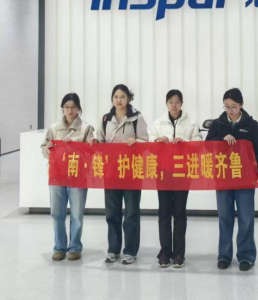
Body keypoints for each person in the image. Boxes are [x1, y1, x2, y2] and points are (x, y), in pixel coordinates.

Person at [205, 88, 258, 272]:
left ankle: (246, 256)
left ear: (241, 105)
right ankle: (224, 255)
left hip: (244, 178)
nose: (230, 110)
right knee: (225, 217)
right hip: (223, 177)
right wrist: (221, 138)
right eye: (227, 106)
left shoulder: (251, 125)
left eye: (234, 106)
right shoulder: (218, 124)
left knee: (246, 218)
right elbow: (206, 146)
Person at [94, 84, 149, 265]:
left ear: (128, 99)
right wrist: (95, 142)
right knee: (112, 212)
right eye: (116, 97)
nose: (119, 100)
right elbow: (100, 140)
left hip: (131, 170)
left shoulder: (137, 118)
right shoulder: (105, 118)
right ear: (112, 99)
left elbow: (146, 142)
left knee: (131, 212)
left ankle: (130, 250)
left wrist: (136, 142)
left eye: (123, 97)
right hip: (111, 171)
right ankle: (113, 249)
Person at [149, 89, 203, 269]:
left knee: (179, 213)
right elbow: (149, 144)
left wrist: (185, 143)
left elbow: (199, 144)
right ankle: (165, 252)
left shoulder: (190, 123)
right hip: (163, 173)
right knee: (164, 213)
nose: (174, 105)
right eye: (171, 102)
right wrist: (158, 141)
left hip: (182, 173)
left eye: (177, 102)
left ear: (182, 103)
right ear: (166, 103)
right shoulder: (158, 123)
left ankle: (179, 253)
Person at [40, 93, 95, 261]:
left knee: (77, 214)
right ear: (62, 109)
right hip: (57, 176)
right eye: (66, 107)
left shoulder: (86, 128)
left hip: (78, 177)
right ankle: (59, 247)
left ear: (79, 108)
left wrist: (85, 147)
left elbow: (91, 153)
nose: (70, 110)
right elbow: (44, 148)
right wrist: (49, 149)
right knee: (57, 213)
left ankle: (75, 247)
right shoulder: (54, 128)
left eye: (73, 107)